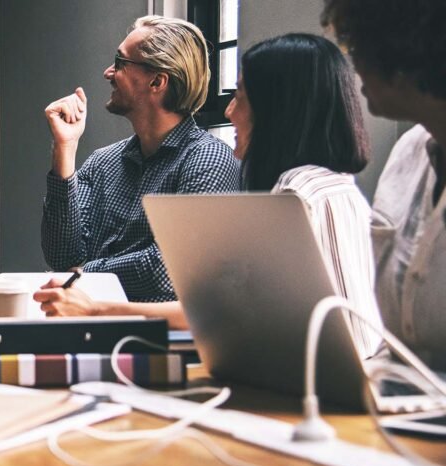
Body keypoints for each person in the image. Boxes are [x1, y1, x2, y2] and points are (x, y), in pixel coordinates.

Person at [36, 33, 382, 359]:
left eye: (239, 97)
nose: (229, 112)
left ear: (277, 111)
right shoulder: (331, 188)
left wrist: (89, 291)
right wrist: (64, 150)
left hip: (333, 392)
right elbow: (62, 254)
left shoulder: (295, 196)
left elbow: (216, 304)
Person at [41, 16, 240, 303]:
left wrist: (85, 274)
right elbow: (61, 257)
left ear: (157, 81)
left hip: (155, 341)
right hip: (89, 330)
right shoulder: (102, 162)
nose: (108, 72)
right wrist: (65, 148)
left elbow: (168, 270)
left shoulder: (208, 159)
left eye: (120, 62)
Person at [322, 0, 446, 371]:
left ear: (404, 53)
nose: (354, 65)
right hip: (405, 404)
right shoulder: (406, 155)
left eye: (357, 48)